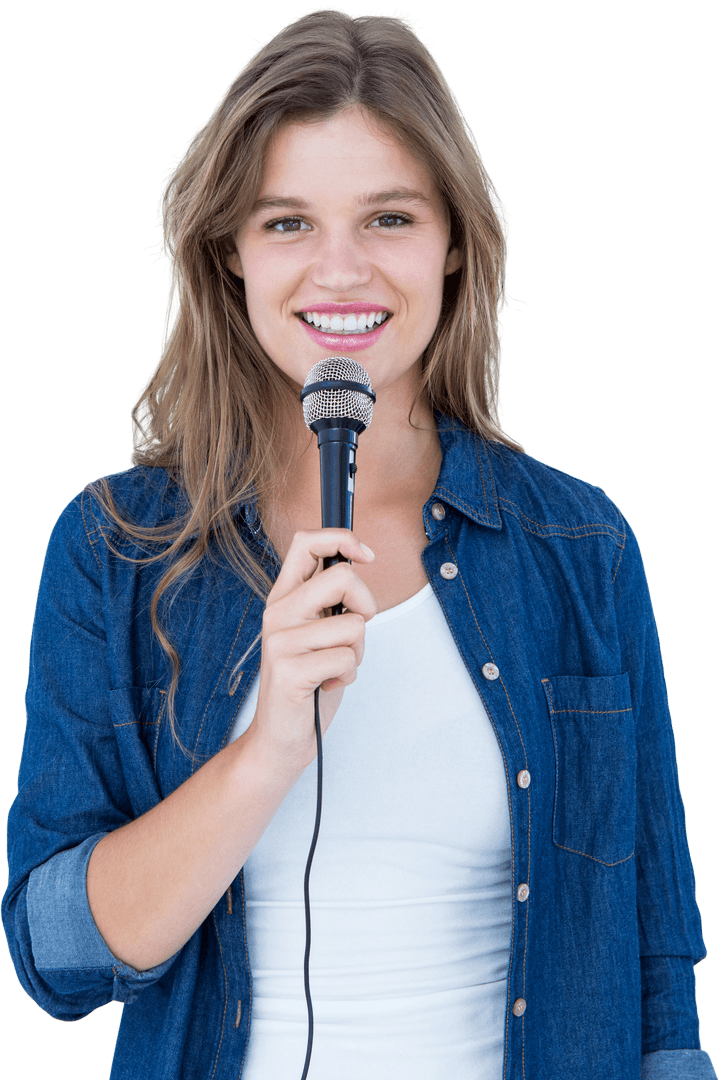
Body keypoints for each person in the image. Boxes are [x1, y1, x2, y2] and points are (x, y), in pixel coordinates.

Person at [2, 7, 715, 1080]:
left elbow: (657, 957)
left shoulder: (580, 547)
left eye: (388, 219)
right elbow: (57, 959)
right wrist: (270, 747)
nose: (340, 272)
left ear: (454, 246)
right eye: (286, 223)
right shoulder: (117, 550)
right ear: (229, 256)